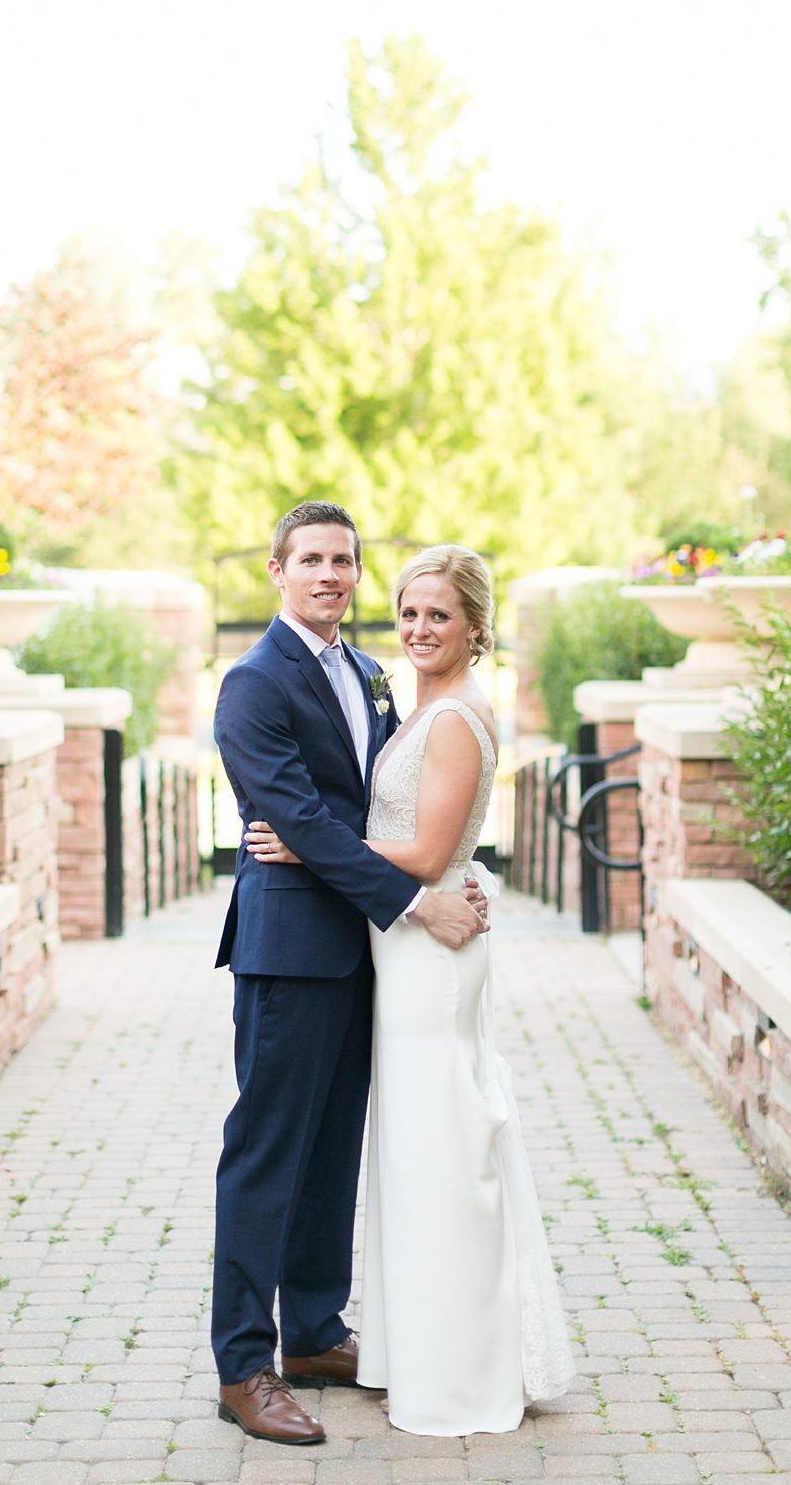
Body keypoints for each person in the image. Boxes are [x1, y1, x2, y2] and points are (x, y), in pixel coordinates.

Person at [245, 544, 575, 1435]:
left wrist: (305, 842)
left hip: (430, 955)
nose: (420, 628)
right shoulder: (403, 697)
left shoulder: (459, 717)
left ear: (476, 624)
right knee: (417, 1158)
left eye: (440, 614)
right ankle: (408, 1349)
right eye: (410, 612)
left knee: (442, 1160)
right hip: (400, 949)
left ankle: (455, 1371)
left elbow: (430, 855)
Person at [210, 501, 488, 1445]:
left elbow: (376, 813)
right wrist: (420, 900)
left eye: (345, 560)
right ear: (277, 569)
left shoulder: (372, 674)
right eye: (312, 559)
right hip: (289, 953)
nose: (330, 574)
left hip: (365, 954)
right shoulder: (253, 684)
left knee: (333, 1148)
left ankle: (316, 1330)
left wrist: (441, 873)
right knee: (268, 1151)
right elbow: (298, 815)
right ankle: (244, 1363)